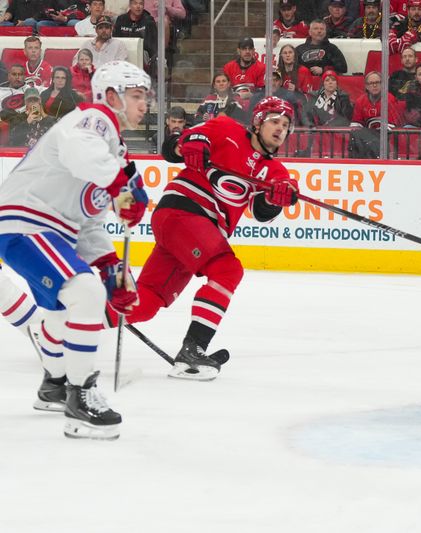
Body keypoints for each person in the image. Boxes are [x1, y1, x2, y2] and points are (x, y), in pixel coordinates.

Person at [0, 60, 150, 439]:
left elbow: (90, 222)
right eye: (136, 96)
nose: (144, 104)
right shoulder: (95, 119)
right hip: (28, 223)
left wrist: (112, 267)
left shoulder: (112, 150)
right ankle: (80, 399)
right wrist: (121, 184)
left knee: (62, 314)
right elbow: (81, 151)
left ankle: (55, 385)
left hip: (53, 232)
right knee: (85, 293)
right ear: (112, 96)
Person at [107, 97, 299, 381]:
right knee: (227, 269)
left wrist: (277, 198)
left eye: (285, 125)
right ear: (258, 122)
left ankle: (68, 324)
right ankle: (193, 349)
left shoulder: (276, 173)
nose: (280, 129)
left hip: (195, 233)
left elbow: (260, 212)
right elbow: (171, 148)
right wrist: (188, 143)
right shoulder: (225, 127)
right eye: (274, 121)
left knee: (145, 304)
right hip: (182, 212)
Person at [113, 0, 158, 74]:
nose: (138, 6)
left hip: (143, 56)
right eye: (135, 3)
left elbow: (153, 47)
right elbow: (115, 41)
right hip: (123, 55)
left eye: (141, 4)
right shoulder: (121, 19)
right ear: (130, 5)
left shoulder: (149, 21)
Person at [223, 37, 266, 103]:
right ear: (238, 50)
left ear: (254, 50)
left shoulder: (261, 67)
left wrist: (251, 95)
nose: (247, 52)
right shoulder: (228, 67)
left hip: (254, 104)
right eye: (244, 49)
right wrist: (236, 96)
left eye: (250, 49)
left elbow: (262, 92)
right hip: (233, 104)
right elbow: (224, 90)